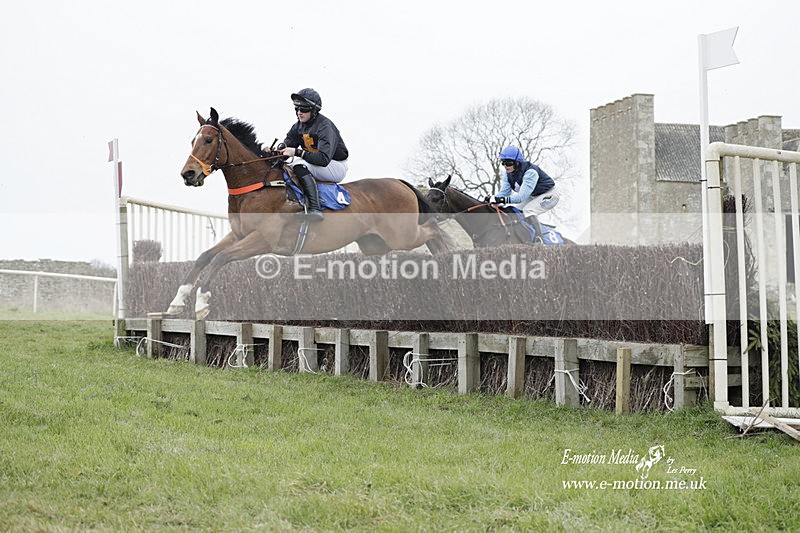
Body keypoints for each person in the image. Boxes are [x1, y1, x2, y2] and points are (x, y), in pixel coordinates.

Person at [279, 88, 349, 221]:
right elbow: (286, 148)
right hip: (316, 163)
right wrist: (272, 153)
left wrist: (297, 152)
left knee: (298, 164)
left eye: (304, 109)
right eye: (297, 109)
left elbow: (323, 159)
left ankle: (315, 208)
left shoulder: (325, 126)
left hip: (334, 165)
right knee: (287, 166)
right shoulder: (297, 127)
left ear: (314, 110)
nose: (299, 113)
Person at [484, 145, 560, 243]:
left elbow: (521, 197)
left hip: (550, 194)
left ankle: (539, 239)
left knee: (528, 210)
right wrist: (492, 199)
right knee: (517, 212)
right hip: (534, 196)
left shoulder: (530, 172)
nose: (505, 166)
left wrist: (502, 200)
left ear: (517, 162)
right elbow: (504, 193)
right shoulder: (508, 175)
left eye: (508, 163)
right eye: (503, 162)